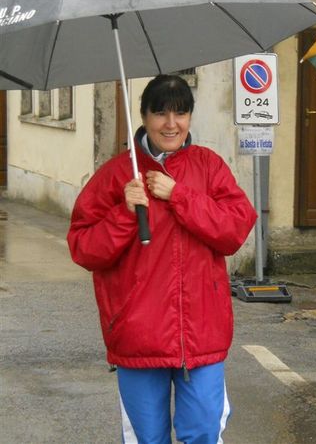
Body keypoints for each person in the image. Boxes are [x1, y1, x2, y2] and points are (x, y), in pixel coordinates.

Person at [67, 74, 257, 443]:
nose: (171, 124)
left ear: (189, 117)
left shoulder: (209, 166)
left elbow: (234, 229)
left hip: (201, 333)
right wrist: (124, 212)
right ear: (143, 116)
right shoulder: (116, 176)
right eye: (160, 113)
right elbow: (84, 247)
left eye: (181, 113)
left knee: (203, 431)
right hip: (138, 333)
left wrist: (179, 195)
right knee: (145, 438)